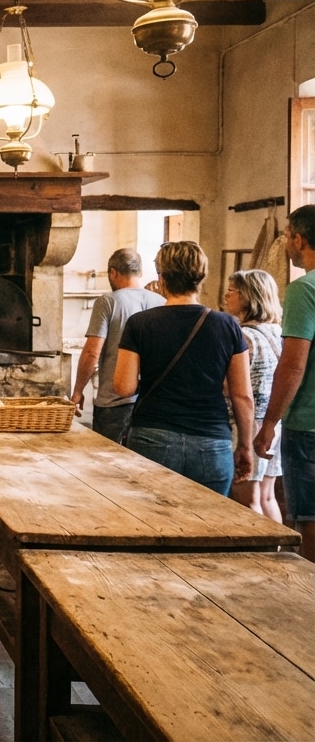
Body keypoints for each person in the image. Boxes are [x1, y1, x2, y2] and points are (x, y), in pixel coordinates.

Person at [113, 241, 253, 495]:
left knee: (153, 516)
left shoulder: (139, 323)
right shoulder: (227, 325)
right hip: (212, 441)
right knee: (210, 517)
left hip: (153, 436)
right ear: (201, 277)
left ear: (162, 278)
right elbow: (242, 395)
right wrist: (245, 445)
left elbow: (124, 387)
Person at [253, 205, 315, 561]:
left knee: (308, 520)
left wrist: (269, 423)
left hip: (308, 425)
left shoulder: (304, 290)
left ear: (299, 240)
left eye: (288, 236)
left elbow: (292, 365)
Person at [69, 248, 164, 443]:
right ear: (140, 272)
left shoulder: (108, 302)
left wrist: (78, 391)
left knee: (108, 459)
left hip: (114, 405)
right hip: (151, 404)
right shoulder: (161, 302)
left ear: (113, 272)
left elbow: (92, 352)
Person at [223, 269, 285, 522]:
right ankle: (281, 546)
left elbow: (230, 387)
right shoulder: (277, 331)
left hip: (247, 425)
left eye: (232, 291)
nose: (226, 295)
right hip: (273, 423)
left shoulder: (245, 336)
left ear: (249, 297)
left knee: (247, 499)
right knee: (267, 497)